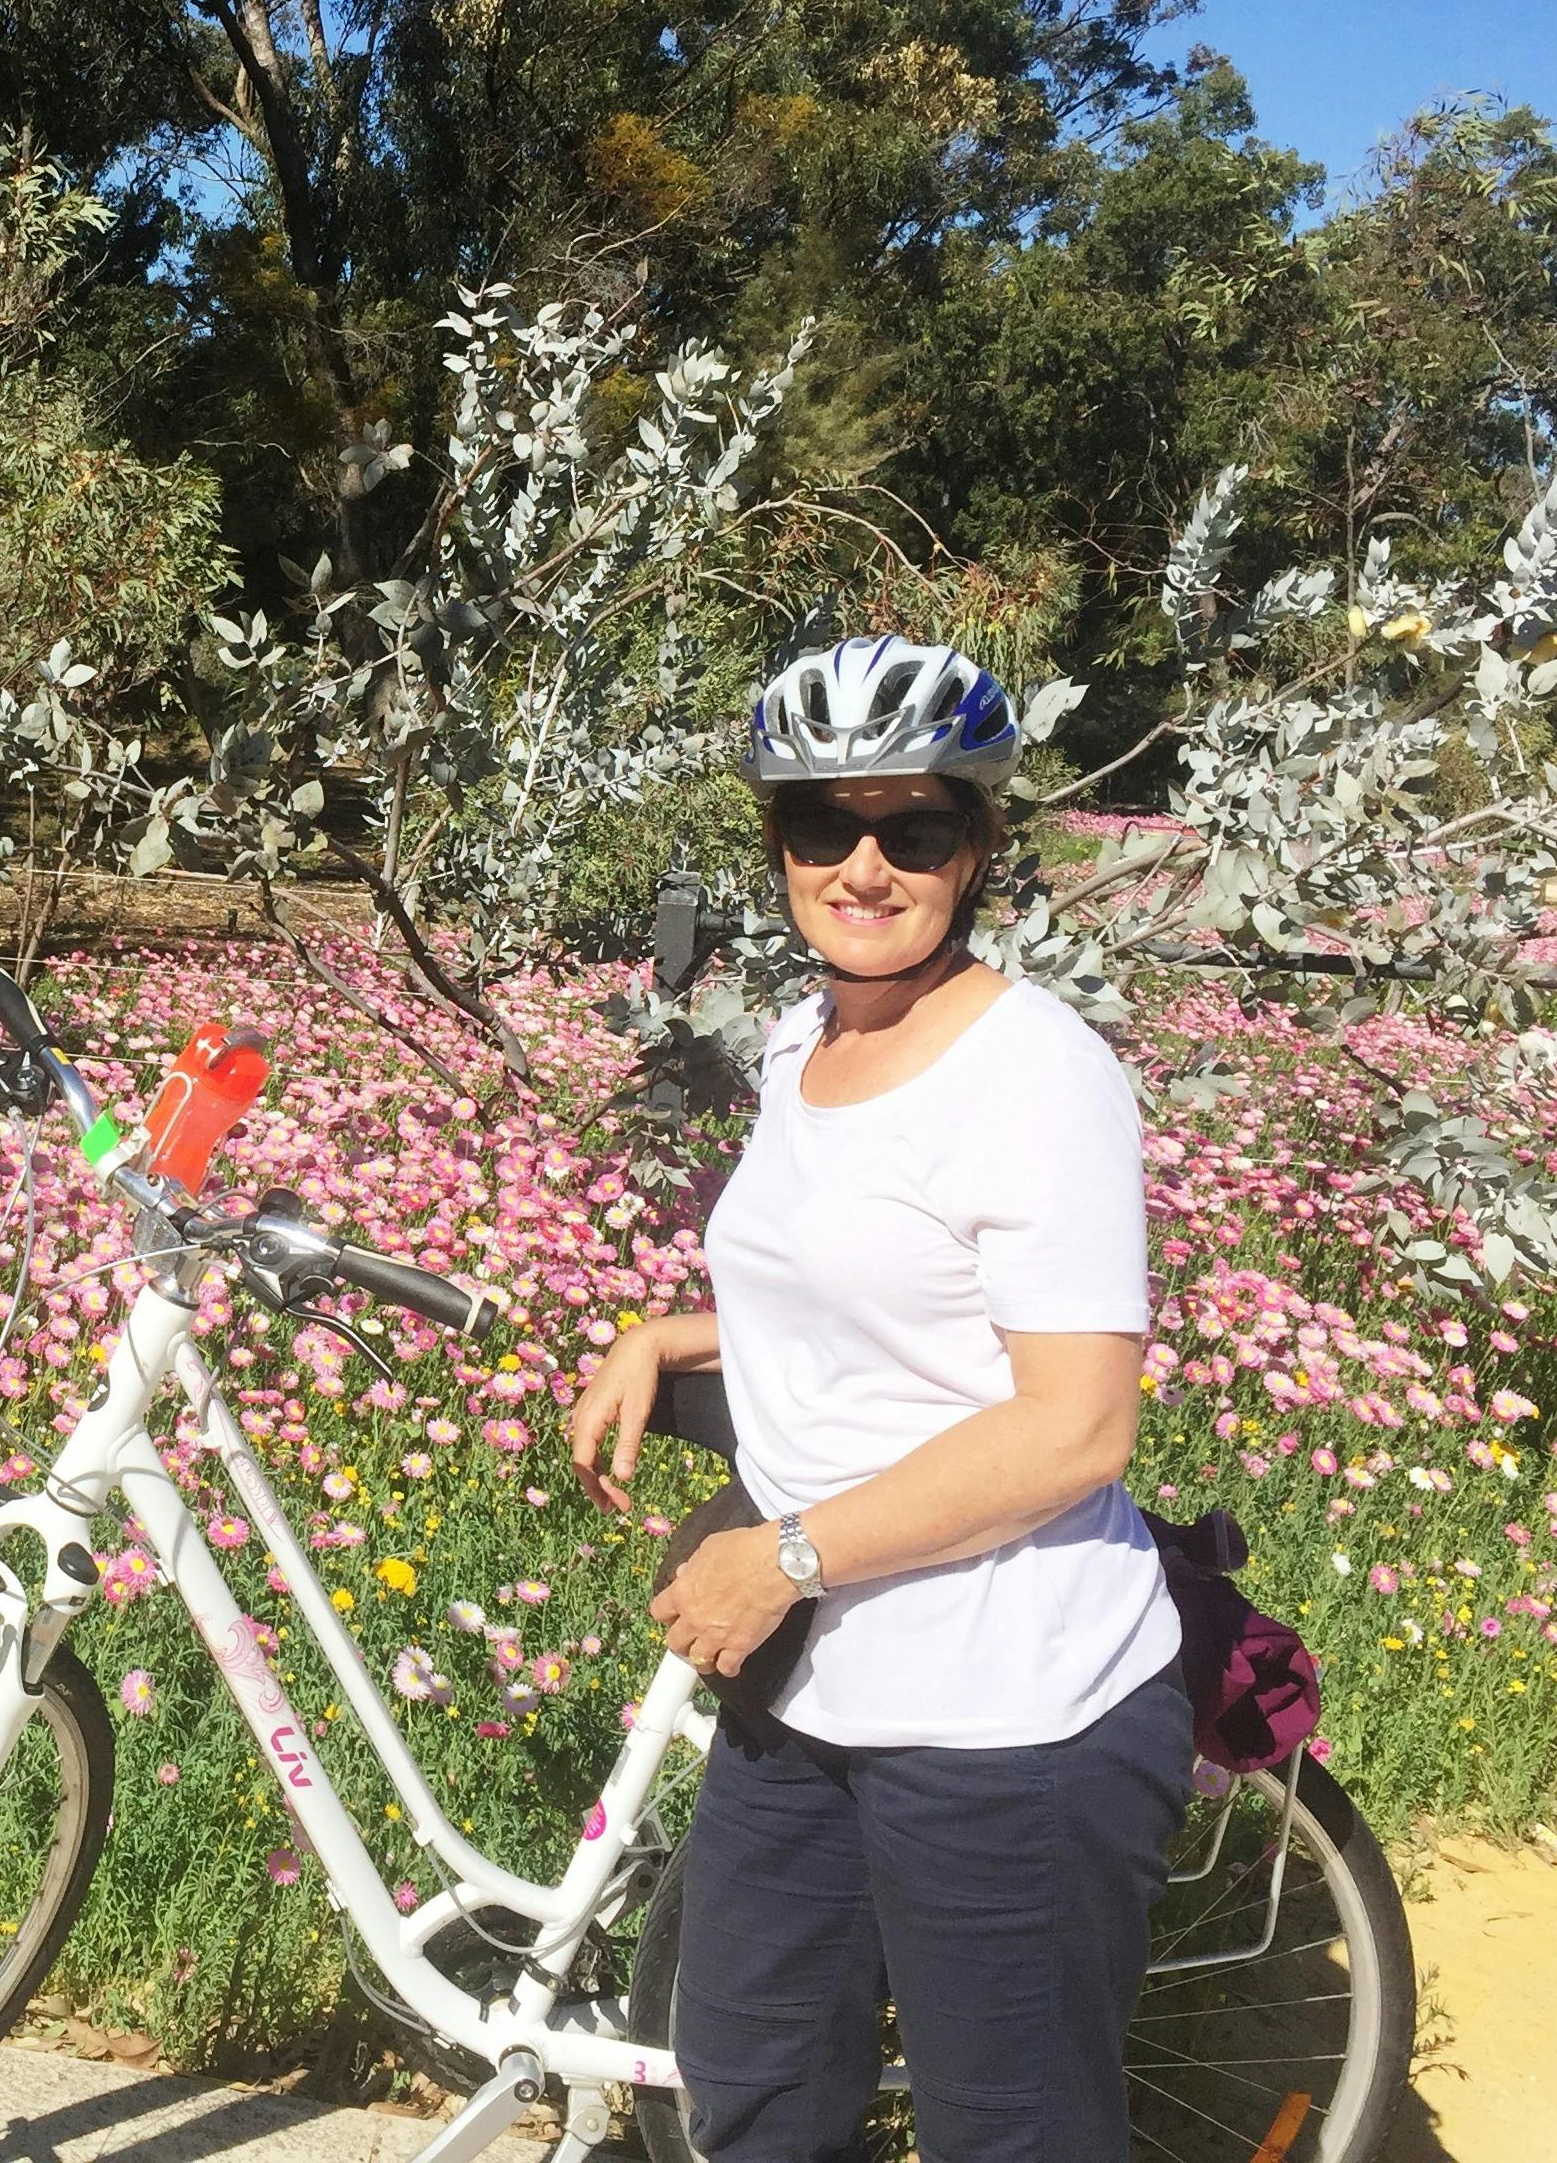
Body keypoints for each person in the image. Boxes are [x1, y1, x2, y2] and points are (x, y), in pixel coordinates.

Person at [568, 634, 1189, 2163]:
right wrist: (673, 1334)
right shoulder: (807, 1040)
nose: (864, 865)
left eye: (914, 828)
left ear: (977, 849)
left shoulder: (1037, 1077)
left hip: (1006, 1713)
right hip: (810, 1689)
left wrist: (782, 1555)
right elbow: (865, 1296)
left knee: (1016, 2133)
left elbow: (1074, 1425)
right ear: (775, 842)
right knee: (754, 2095)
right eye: (818, 825)